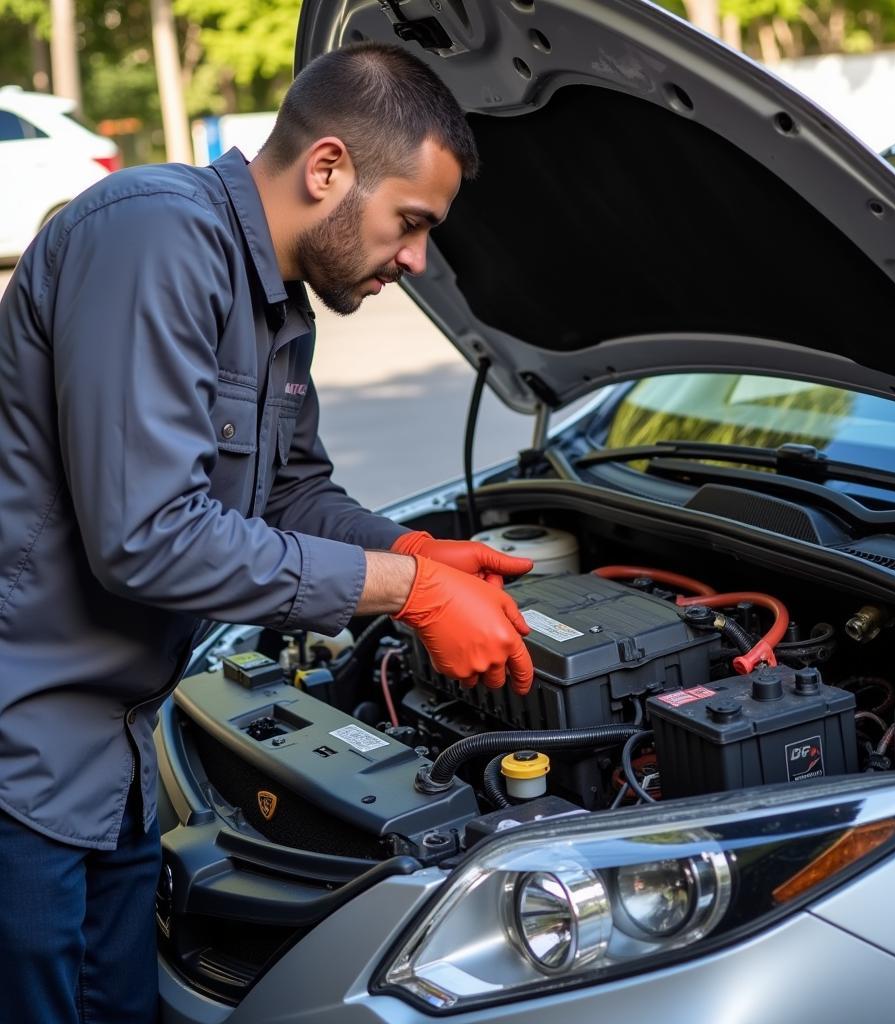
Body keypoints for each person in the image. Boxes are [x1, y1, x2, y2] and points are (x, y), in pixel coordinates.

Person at [0, 41, 534, 1023]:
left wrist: (410, 550)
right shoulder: (151, 237)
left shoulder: (281, 305)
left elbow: (290, 494)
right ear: (327, 168)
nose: (417, 260)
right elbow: (148, 538)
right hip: (21, 755)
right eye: (410, 223)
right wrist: (407, 593)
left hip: (113, 755)